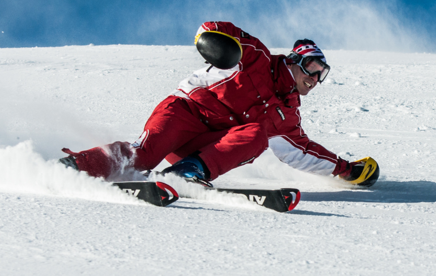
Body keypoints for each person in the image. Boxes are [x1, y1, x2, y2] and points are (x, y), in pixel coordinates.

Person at [59, 21, 379, 187]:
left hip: (202, 147)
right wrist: (216, 46)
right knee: (144, 155)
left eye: (321, 74)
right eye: (312, 68)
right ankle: (78, 167)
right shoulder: (257, 58)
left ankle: (187, 173)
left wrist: (346, 170)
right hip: (184, 113)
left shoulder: (287, 116)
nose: (315, 78)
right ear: (295, 61)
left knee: (256, 136)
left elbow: (303, 152)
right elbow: (215, 29)